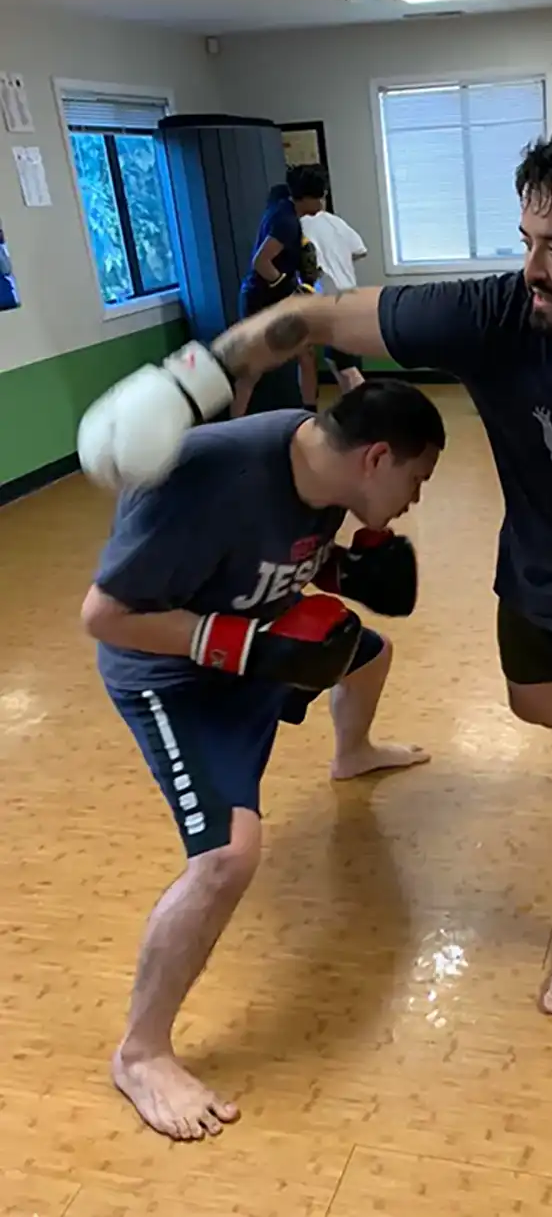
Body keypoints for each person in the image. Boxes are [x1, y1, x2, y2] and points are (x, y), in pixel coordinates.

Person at [75, 121, 552, 1021]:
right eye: (528, 241)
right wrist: (201, 376)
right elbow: (313, 318)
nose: (533, 268)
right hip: (533, 566)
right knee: (531, 706)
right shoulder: (497, 315)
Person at [79, 382, 443, 1141]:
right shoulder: (208, 479)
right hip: (171, 677)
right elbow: (105, 617)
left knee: (367, 657)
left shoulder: (324, 464)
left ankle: (352, 753)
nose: (414, 501)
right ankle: (141, 1053)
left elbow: (277, 555)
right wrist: (235, 645)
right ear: (377, 458)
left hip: (246, 636)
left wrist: (344, 573)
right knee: (228, 858)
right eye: (416, 481)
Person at [237, 164, 330, 415]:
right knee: (252, 369)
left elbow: (277, 191)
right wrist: (290, 288)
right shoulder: (286, 222)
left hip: (273, 299)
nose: (323, 202)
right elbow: (261, 262)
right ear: (308, 197)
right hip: (261, 300)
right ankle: (232, 425)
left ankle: (309, 413)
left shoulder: (282, 203)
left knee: (306, 355)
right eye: (321, 196)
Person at [301, 205, 369, 392]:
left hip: (330, 299)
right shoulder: (335, 222)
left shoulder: (301, 225)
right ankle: (353, 407)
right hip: (348, 294)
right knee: (335, 359)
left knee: (346, 366)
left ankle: (371, 410)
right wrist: (340, 261)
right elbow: (361, 250)